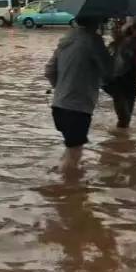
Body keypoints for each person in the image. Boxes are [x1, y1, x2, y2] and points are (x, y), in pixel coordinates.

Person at [45, 17, 114, 172]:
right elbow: (109, 72)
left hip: (58, 105)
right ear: (97, 21)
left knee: (71, 148)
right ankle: (66, 189)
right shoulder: (94, 41)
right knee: (75, 154)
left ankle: (59, 179)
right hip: (78, 107)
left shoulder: (65, 40)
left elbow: (49, 70)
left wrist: (62, 88)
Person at [104, 17, 136, 129]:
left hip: (132, 81)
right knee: (124, 117)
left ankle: (121, 138)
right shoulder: (125, 43)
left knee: (127, 116)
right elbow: (118, 64)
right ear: (135, 31)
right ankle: (119, 141)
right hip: (118, 81)